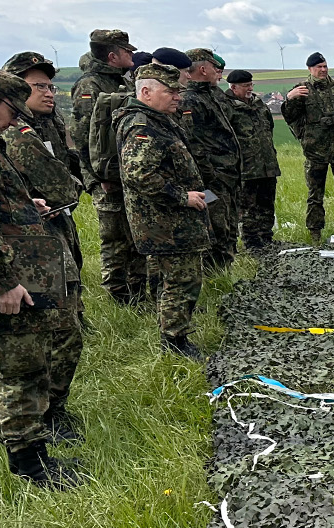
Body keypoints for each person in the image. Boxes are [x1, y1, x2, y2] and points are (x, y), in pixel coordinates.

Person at [0, 69, 84, 490]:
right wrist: (0, 283)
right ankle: (29, 466)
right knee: (20, 370)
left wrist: (23, 203)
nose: (14, 120)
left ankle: (30, 451)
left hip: (23, 271)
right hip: (9, 280)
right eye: (10, 109)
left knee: (28, 365)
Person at [118, 63, 209, 358]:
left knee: (170, 279)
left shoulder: (158, 120)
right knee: (182, 279)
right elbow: (139, 174)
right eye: (169, 91)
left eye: (177, 91)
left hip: (169, 218)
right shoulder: (142, 125)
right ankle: (175, 341)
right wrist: (182, 196)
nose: (177, 97)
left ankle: (172, 332)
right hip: (165, 221)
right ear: (145, 92)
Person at [73, 29, 143, 306]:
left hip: (129, 172)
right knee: (115, 239)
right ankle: (119, 296)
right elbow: (81, 136)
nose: (132, 54)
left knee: (135, 233)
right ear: (113, 56)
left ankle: (139, 291)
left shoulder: (123, 80)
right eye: (127, 51)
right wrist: (94, 178)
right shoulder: (90, 85)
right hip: (107, 177)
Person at [282, 52, 334, 243]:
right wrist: (289, 98)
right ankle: (315, 233)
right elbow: (290, 117)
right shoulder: (302, 90)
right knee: (315, 195)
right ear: (310, 69)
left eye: (325, 66)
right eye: (319, 67)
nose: (323, 70)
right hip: (315, 150)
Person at [179, 48, 240, 269]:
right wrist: (211, 176)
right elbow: (193, 144)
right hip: (212, 179)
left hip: (227, 175)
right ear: (203, 69)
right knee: (216, 231)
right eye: (215, 67)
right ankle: (216, 277)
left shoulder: (211, 95)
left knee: (229, 228)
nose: (219, 72)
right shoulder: (190, 100)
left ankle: (225, 273)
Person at [225, 69, 282, 251]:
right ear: (233, 87)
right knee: (248, 208)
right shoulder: (227, 107)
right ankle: (252, 243)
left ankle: (266, 238)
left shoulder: (259, 105)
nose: (250, 89)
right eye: (245, 86)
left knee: (266, 204)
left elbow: (269, 129)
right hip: (245, 167)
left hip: (267, 165)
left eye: (251, 85)